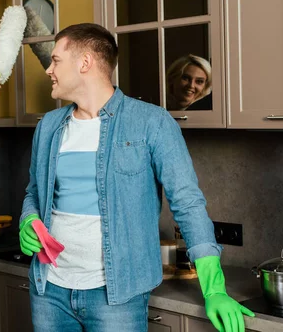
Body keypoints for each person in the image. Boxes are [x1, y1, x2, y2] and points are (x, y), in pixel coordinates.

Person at [18, 24, 254, 332]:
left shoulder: (151, 122)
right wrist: (28, 218)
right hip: (49, 290)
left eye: (56, 60)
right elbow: (34, 192)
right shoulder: (49, 126)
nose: (49, 69)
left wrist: (214, 288)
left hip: (117, 295)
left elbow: (187, 202)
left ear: (85, 62)